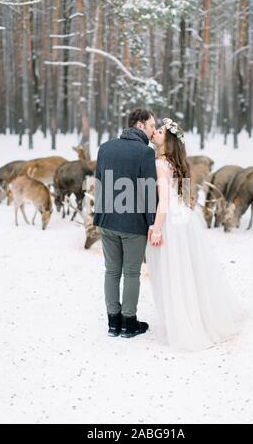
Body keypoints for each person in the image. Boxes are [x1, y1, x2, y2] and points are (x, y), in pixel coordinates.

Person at [146, 118, 241, 351]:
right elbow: (188, 196)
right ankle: (195, 314)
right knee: (189, 268)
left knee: (172, 271)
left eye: (159, 131)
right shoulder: (181, 163)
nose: (154, 133)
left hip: (170, 220)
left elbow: (164, 201)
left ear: (167, 140)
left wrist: (156, 228)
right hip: (185, 220)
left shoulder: (160, 163)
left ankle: (182, 322)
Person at [93, 108, 157, 338]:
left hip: (107, 221)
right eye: (151, 126)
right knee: (131, 273)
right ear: (139, 125)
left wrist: (97, 216)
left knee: (111, 271)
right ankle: (129, 323)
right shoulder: (145, 153)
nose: (153, 131)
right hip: (133, 225)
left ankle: (113, 323)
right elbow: (149, 190)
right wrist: (152, 224)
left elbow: (98, 182)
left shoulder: (105, 147)